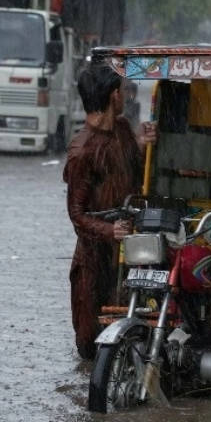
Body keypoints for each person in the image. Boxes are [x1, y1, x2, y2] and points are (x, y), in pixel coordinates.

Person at [63, 61, 158, 360]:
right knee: (90, 343)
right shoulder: (82, 150)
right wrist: (109, 231)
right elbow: (76, 215)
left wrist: (146, 144)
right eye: (123, 90)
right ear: (113, 95)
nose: (127, 95)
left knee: (130, 330)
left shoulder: (122, 129)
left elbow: (136, 172)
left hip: (130, 251)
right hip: (93, 258)